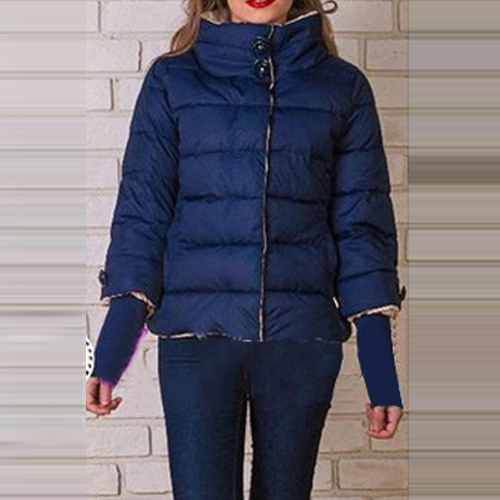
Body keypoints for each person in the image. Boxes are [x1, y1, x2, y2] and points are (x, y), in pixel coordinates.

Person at [86, 0, 407, 498]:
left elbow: (362, 228)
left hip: (299, 342)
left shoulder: (342, 87)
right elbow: (142, 216)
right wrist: (111, 352)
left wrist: (380, 370)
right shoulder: (173, 81)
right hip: (197, 343)